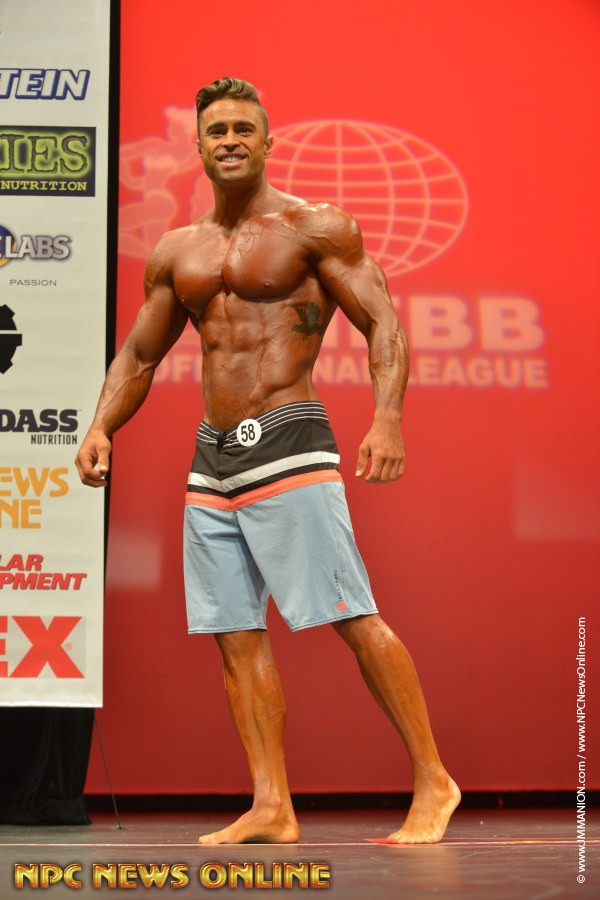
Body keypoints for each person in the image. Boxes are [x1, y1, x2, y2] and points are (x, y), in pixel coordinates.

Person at [76, 77, 460, 845]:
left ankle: (433, 779)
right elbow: (141, 353)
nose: (229, 140)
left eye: (242, 129)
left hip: (288, 438)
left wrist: (387, 417)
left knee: (349, 614)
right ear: (198, 145)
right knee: (235, 634)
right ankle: (271, 805)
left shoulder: (315, 227)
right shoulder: (178, 250)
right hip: (212, 459)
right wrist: (101, 425)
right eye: (216, 130)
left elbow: (383, 323)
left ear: (267, 141)